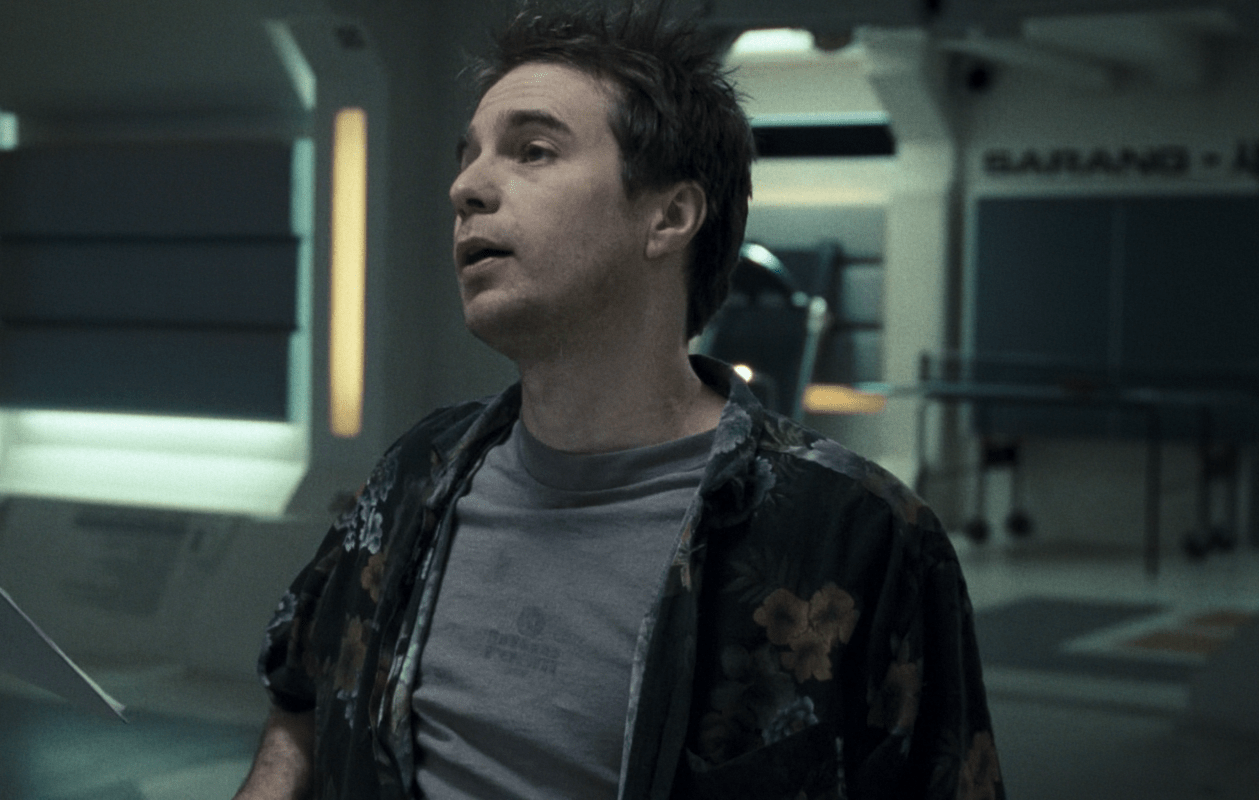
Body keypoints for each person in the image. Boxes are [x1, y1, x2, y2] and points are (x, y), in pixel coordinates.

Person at [235, 2, 1003, 798]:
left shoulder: (859, 536)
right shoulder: (416, 473)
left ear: (669, 216)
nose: (465, 187)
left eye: (533, 150)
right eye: (467, 157)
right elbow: (301, 694)